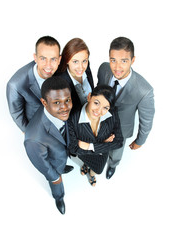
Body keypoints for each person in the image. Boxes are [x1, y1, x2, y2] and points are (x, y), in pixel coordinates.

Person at [97, 37, 155, 179]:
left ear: (132, 60)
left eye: (124, 61)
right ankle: (97, 160)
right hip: (99, 121)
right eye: (113, 60)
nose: (117, 67)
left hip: (121, 129)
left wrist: (140, 141)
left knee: (116, 151)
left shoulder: (144, 90)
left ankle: (112, 165)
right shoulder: (104, 69)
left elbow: (146, 121)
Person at [24, 76, 73, 214]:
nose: (64, 107)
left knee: (61, 164)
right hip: (52, 167)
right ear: (44, 103)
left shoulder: (61, 113)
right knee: (56, 182)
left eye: (67, 100)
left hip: (60, 157)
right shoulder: (33, 139)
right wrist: (55, 177)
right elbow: (43, 166)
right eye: (57, 102)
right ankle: (59, 197)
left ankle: (62, 166)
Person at [68, 85, 123, 186]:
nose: (98, 111)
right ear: (89, 97)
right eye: (96, 103)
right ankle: (85, 166)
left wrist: (90, 146)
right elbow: (72, 149)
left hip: (99, 155)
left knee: (97, 170)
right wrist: (104, 144)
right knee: (86, 161)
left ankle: (91, 174)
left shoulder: (112, 113)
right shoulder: (73, 118)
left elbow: (119, 142)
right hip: (86, 154)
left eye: (105, 108)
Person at [6, 36, 61, 132]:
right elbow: (17, 114)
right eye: (43, 58)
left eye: (53, 59)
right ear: (35, 58)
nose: (48, 65)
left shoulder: (61, 70)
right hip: (38, 130)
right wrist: (32, 135)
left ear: (59, 60)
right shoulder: (15, 85)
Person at [56, 38, 94, 112]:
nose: (81, 67)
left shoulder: (87, 68)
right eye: (75, 62)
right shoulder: (60, 82)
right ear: (67, 60)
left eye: (84, 61)